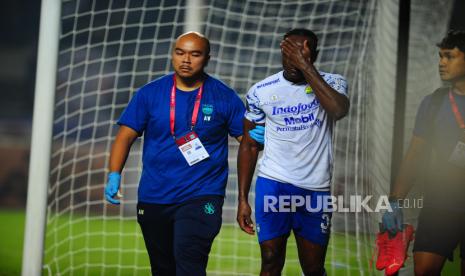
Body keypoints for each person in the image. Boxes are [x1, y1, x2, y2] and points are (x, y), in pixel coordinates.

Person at [103, 32, 263, 276]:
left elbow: (248, 143)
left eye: (195, 54)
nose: (186, 59)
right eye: (180, 52)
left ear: (207, 58)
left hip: (202, 195)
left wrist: (260, 137)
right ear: (172, 54)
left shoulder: (224, 96)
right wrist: (114, 174)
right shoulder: (149, 94)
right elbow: (125, 136)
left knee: (190, 264)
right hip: (155, 196)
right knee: (162, 269)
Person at [237, 28, 349, 276]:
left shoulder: (334, 83)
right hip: (274, 184)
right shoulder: (261, 91)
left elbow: (338, 110)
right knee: (270, 260)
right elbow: (249, 144)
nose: (292, 61)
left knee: (313, 267)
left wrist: (305, 67)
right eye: (288, 53)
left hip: (315, 190)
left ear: (313, 55)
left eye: (300, 54)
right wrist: (243, 199)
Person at [383, 30, 465, 276]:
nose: (441, 63)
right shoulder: (434, 102)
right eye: (440, 56)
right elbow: (415, 155)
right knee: (424, 271)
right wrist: (395, 202)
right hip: (441, 203)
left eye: (449, 56)